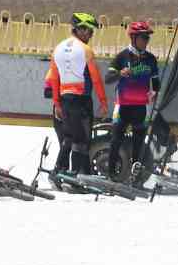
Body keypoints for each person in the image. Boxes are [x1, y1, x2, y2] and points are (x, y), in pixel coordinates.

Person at [45, 13, 109, 176]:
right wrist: (103, 101)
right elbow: (96, 78)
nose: (91, 35)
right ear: (80, 29)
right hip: (81, 99)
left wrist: (57, 104)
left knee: (68, 137)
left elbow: (54, 79)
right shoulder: (85, 49)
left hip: (64, 99)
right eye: (89, 31)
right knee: (81, 140)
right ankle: (75, 174)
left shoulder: (57, 49)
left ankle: (59, 171)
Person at [105, 21, 161, 180]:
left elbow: (156, 82)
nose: (146, 41)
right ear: (133, 38)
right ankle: (111, 175)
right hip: (122, 106)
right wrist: (120, 73)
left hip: (140, 108)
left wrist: (155, 92)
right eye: (144, 37)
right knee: (116, 140)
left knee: (138, 144)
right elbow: (108, 79)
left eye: (147, 38)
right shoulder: (122, 57)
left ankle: (135, 178)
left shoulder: (150, 59)